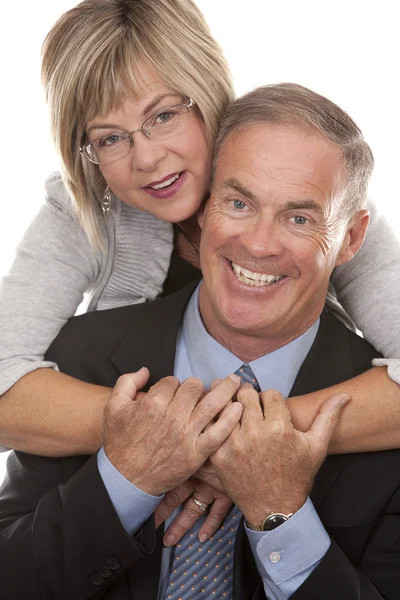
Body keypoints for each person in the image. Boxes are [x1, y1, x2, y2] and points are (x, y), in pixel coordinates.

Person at [0, 0, 399, 540]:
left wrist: (255, 443)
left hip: (301, 503)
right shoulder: (88, 204)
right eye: (110, 138)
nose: (146, 158)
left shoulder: (312, 184)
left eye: (164, 115)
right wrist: (166, 441)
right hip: (141, 516)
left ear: (208, 90)